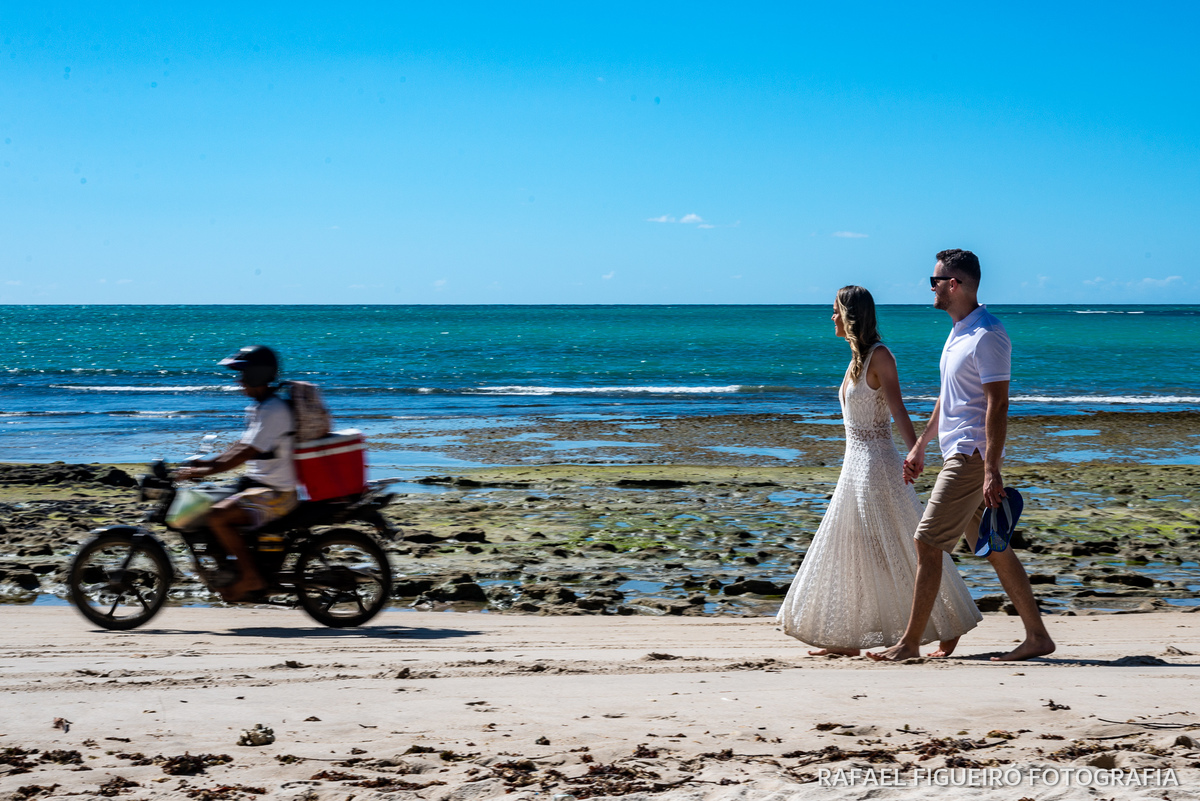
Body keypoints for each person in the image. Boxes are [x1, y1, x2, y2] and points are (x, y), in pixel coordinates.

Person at [869, 250, 1056, 662]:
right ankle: (1038, 636)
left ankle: (909, 643)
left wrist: (991, 469)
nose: (931, 287)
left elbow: (998, 404)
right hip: (957, 451)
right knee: (995, 549)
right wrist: (920, 444)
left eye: (935, 280)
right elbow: (949, 398)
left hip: (970, 456)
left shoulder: (988, 334)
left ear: (954, 284)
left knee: (927, 541)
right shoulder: (959, 332)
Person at [777, 286, 981, 656]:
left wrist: (915, 452)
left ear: (851, 314)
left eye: (836, 310)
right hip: (852, 466)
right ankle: (849, 637)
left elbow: (899, 410)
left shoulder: (880, 356)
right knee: (857, 547)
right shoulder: (855, 359)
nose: (832, 317)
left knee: (898, 545)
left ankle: (948, 623)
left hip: (876, 466)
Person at [174, 346, 298, 602]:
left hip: (278, 493)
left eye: (242, 374)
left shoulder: (273, 410)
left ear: (257, 375)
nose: (238, 381)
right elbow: (240, 447)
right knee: (206, 501)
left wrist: (204, 470)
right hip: (257, 484)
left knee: (217, 516)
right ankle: (231, 564)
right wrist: (206, 464)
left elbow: (244, 455)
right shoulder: (261, 408)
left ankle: (251, 577)